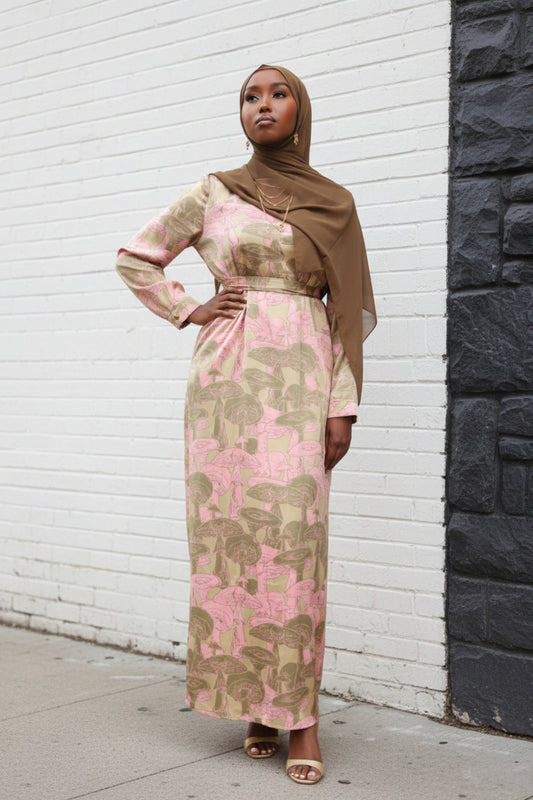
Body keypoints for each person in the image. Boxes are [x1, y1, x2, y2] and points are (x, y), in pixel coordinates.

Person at [116, 64, 376, 786]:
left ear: (299, 110)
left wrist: (341, 405)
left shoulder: (334, 204)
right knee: (231, 545)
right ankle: (255, 707)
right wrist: (188, 307)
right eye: (249, 97)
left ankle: (301, 717)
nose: (262, 105)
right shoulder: (214, 192)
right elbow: (136, 257)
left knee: (293, 547)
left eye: (277, 94)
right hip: (224, 384)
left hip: (300, 379)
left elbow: (344, 314)